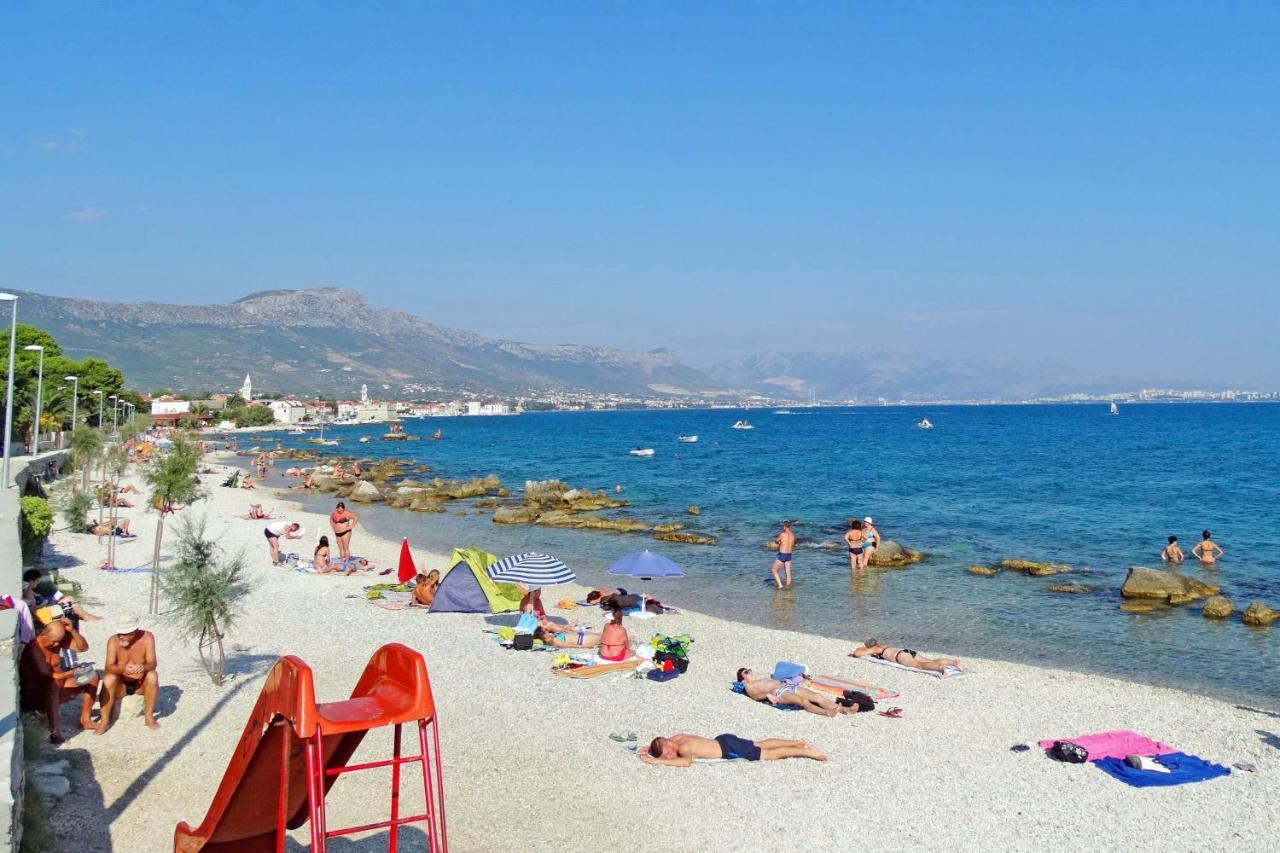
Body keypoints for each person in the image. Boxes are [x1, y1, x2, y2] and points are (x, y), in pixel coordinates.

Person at [18, 619, 99, 743]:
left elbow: (83, 648)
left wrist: (73, 631)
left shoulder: (58, 642)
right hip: (36, 697)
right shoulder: (33, 649)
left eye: (58, 641)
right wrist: (72, 672)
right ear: (43, 635)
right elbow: (47, 676)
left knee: (92, 675)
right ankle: (55, 731)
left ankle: (85, 720)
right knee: (53, 685)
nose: (56, 645)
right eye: (54, 641)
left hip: (60, 686)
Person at [96, 622, 160, 733]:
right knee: (108, 679)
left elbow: (152, 663)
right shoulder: (113, 641)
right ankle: (104, 721)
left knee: (152, 675)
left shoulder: (147, 637)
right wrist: (123, 668)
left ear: (135, 632)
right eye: (120, 633)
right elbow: (108, 668)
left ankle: (149, 717)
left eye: (125, 634)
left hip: (140, 683)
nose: (121, 636)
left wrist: (143, 667)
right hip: (121, 684)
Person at [736, 667, 870, 716]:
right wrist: (766, 695)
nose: (750, 672)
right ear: (743, 679)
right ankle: (826, 712)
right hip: (779, 693)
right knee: (803, 701)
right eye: (746, 672)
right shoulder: (749, 686)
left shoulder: (760, 679)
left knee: (817, 697)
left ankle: (843, 710)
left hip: (787, 686)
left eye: (749, 670)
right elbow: (754, 696)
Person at [643, 734, 828, 766]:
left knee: (769, 754)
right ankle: (797, 743)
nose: (668, 757)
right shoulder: (677, 738)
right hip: (723, 739)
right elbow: (661, 744)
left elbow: (686, 762)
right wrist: (650, 749)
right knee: (759, 743)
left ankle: (808, 752)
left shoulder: (684, 748)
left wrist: (657, 761)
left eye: (666, 755)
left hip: (727, 748)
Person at [22, 569, 101, 623]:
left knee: (68, 598)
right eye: (37, 580)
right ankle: (86, 617)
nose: (38, 582)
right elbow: (32, 610)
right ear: (31, 580)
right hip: (44, 611)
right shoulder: (28, 593)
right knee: (71, 603)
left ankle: (86, 616)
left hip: (46, 606)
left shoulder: (29, 590)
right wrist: (44, 603)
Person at [851, 640, 965, 674]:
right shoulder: (884, 645)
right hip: (907, 651)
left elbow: (857, 653)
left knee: (920, 665)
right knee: (930, 660)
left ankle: (940, 668)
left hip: (900, 657)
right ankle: (953, 663)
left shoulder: (875, 649)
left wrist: (864, 648)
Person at [770, 521, 796, 589]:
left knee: (773, 570)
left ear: (784, 527)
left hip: (782, 555)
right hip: (789, 555)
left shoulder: (783, 534)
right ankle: (788, 588)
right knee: (788, 572)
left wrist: (778, 542)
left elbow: (776, 541)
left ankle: (780, 585)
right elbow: (789, 544)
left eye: (783, 526)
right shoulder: (793, 535)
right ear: (789, 527)